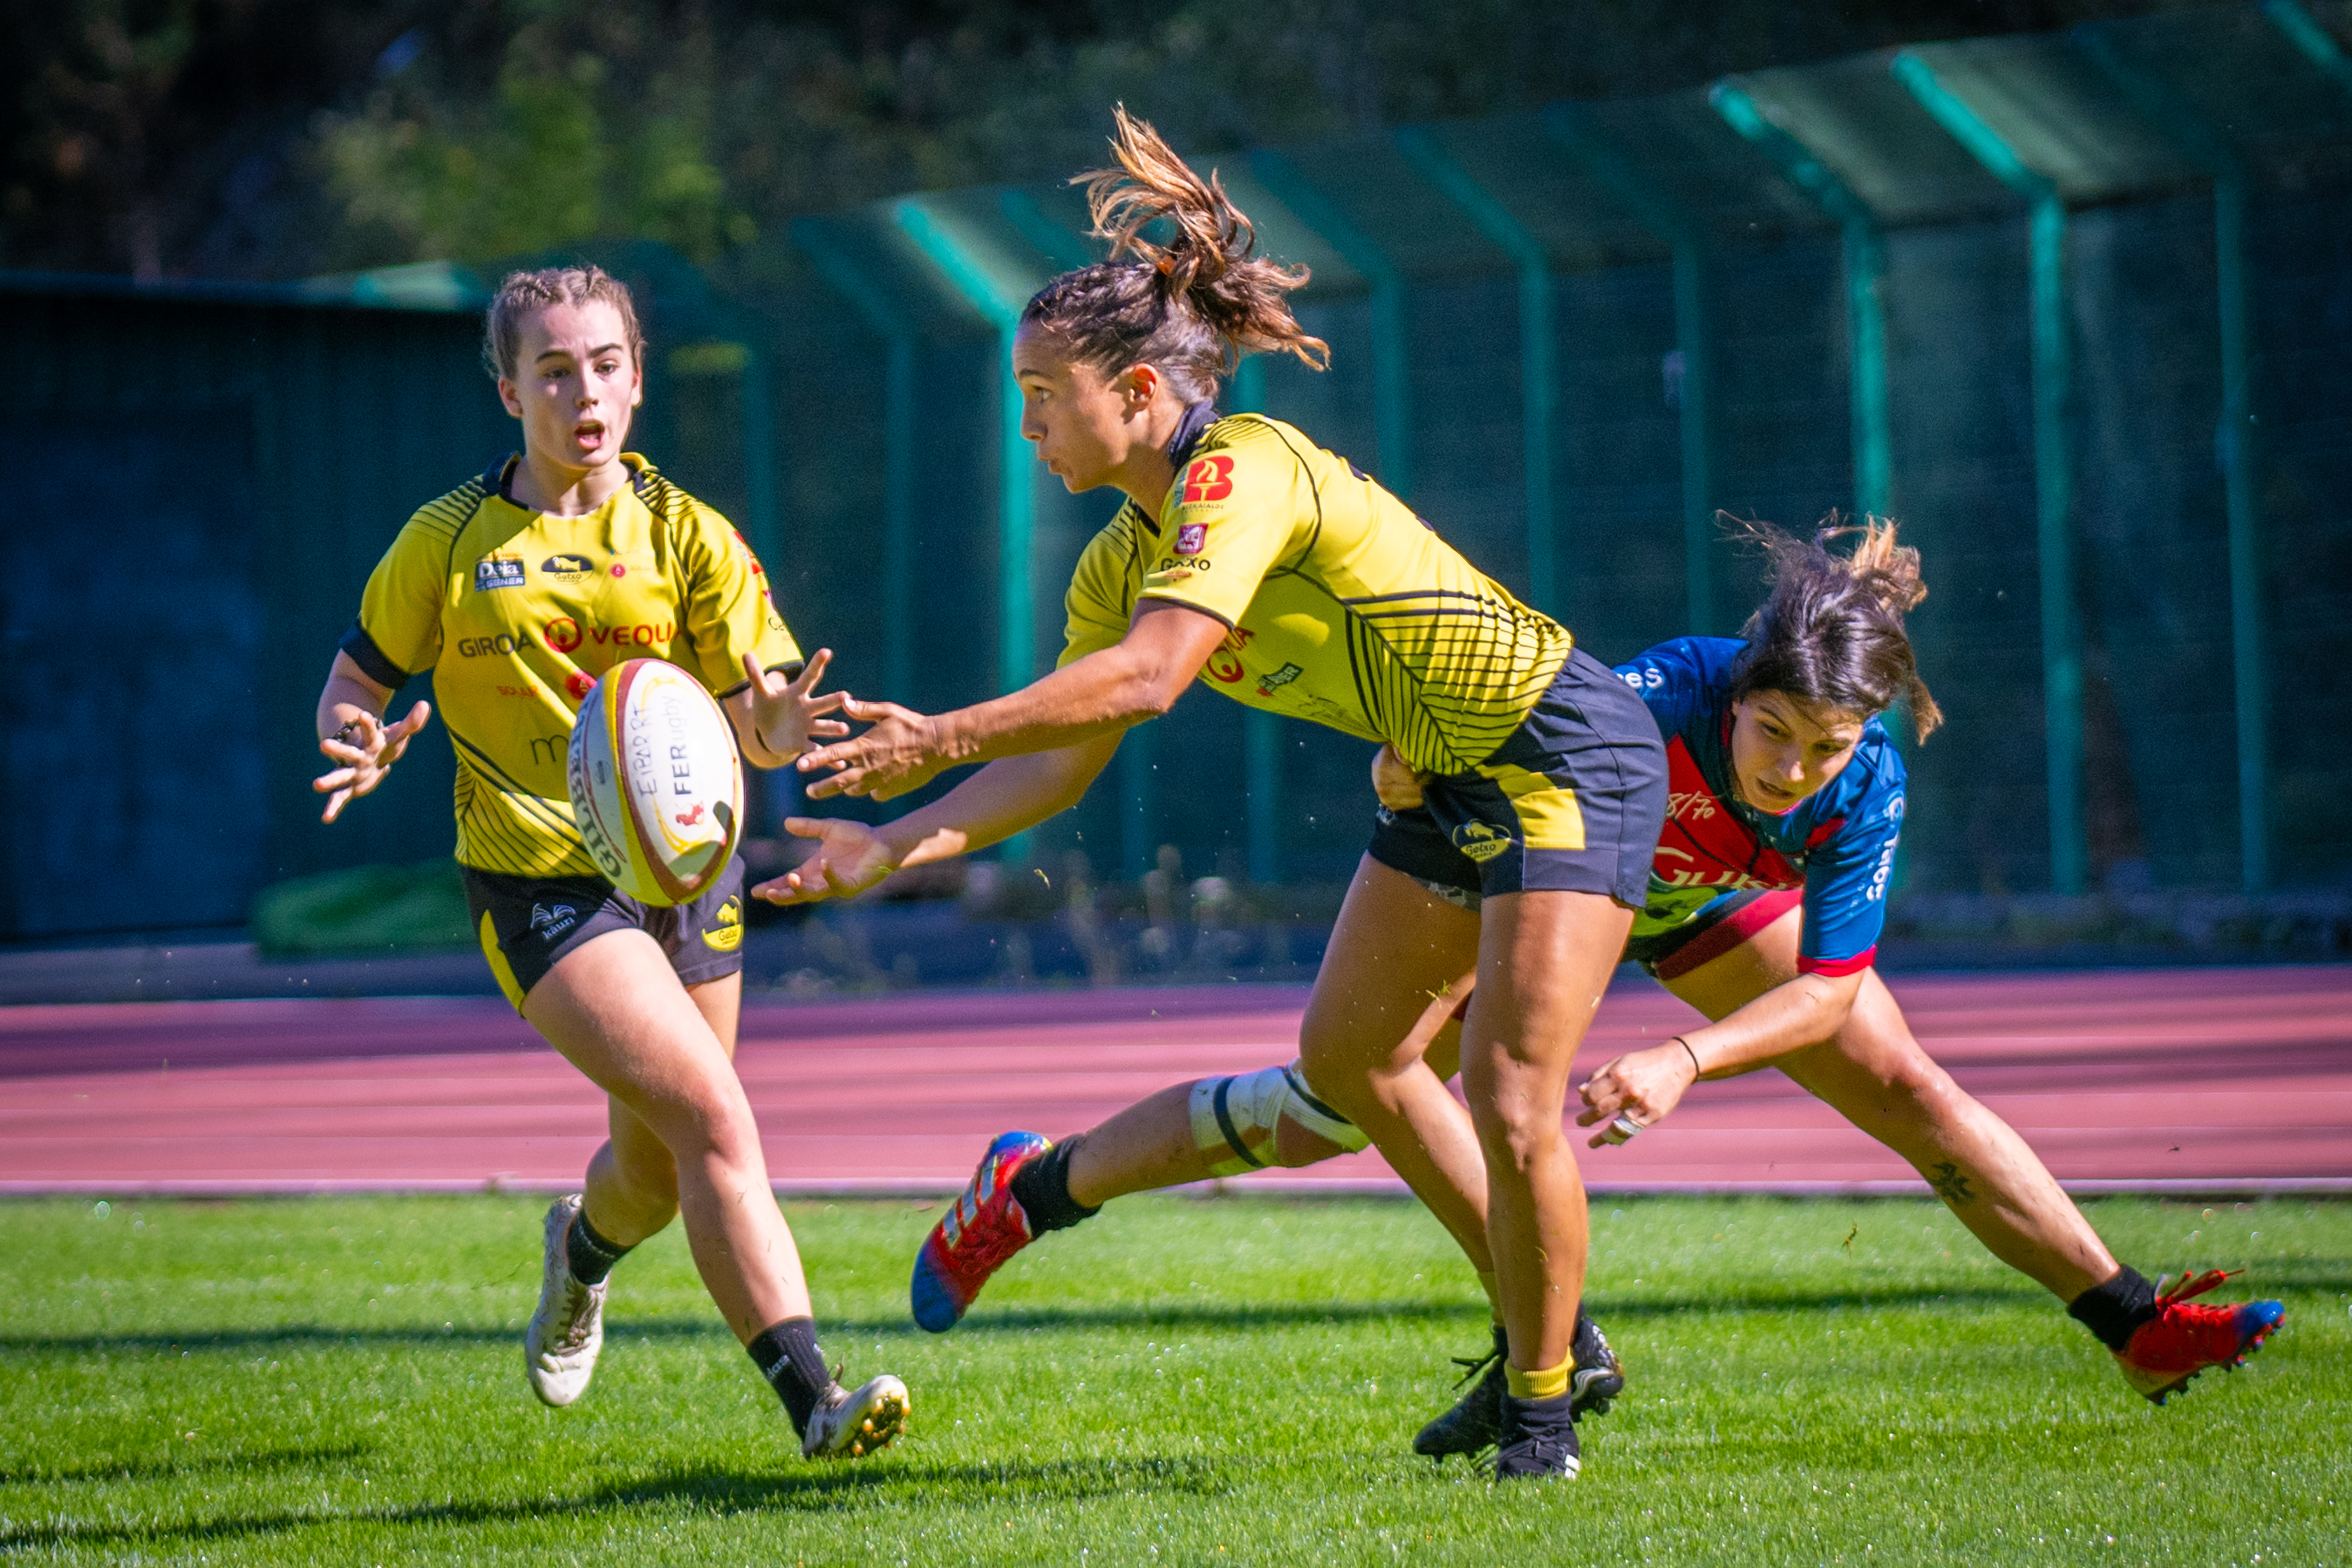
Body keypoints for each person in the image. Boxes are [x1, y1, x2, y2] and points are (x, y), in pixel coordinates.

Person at [905, 517, 2287, 1458]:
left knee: (1905, 1082)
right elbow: (1482, 738)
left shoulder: (1860, 779)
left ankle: (2132, 1321)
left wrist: (1684, 1059)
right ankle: (1036, 1186)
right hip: (1525, 866)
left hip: (1685, 905)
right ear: (1732, 692)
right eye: (1773, 732)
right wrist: (1405, 767)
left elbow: (1824, 989)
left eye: (1824, 746)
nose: (1792, 768)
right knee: (1331, 1100)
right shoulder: (1650, 698)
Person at [760, 108, 1668, 1481]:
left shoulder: (1244, 465)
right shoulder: (1116, 561)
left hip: (1562, 750)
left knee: (1504, 1088)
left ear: (1136, 391)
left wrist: (934, 735)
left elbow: (1146, 679)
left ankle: (1541, 1416)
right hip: (1440, 776)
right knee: (1353, 1065)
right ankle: (1557, 1337)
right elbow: (1058, 760)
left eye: (1042, 393)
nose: (1025, 423)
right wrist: (890, 847)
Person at [310, 264, 907, 1462]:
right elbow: (355, 680)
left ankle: (580, 1252)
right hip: (539, 881)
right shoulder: (448, 540)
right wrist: (356, 735)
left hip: (684, 872)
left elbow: (755, 719)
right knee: (715, 1114)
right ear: (507, 390)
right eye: (551, 370)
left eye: (604, 365)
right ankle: (816, 1400)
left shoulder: (688, 534)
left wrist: (777, 725)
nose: (581, 391)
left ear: (636, 381)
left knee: (656, 1165)